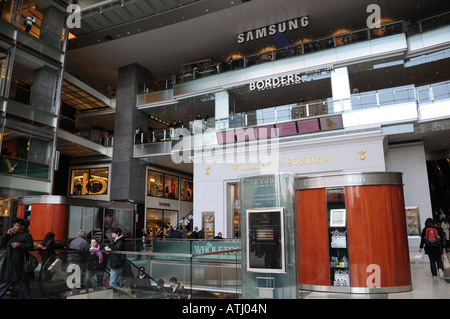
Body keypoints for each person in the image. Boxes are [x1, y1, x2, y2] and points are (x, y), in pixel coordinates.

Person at [0, 218, 34, 299]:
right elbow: (2, 244)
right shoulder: (11, 235)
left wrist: (20, 245)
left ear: (22, 227)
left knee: (11, 280)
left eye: (17, 225)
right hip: (10, 262)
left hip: (20, 263)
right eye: (13, 225)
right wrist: (7, 234)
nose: (14, 227)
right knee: (20, 281)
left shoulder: (26, 235)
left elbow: (30, 246)